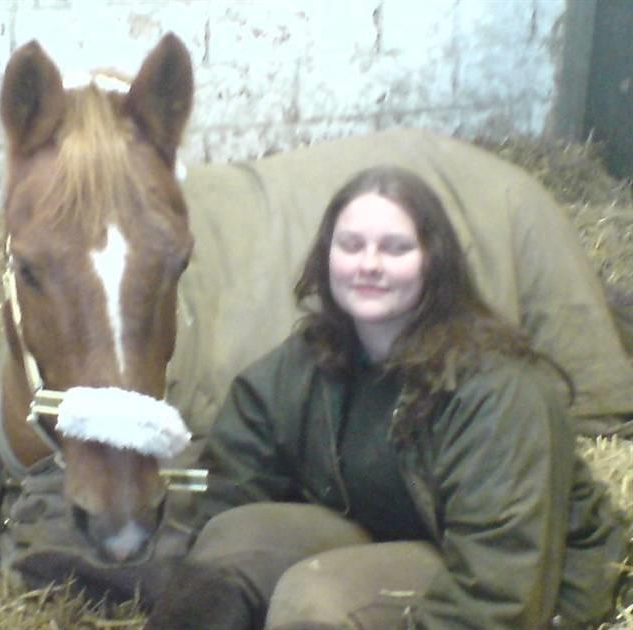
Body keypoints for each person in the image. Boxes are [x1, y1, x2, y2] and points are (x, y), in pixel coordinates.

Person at [144, 166, 625, 630]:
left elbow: (502, 590)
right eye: (351, 245)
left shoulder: (497, 393)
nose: (368, 264)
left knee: (316, 597)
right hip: (375, 538)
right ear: (326, 256)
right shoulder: (307, 364)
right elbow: (228, 493)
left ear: (435, 262)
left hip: (504, 578)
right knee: (232, 543)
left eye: (395, 248)